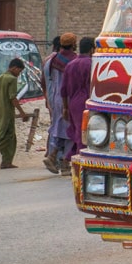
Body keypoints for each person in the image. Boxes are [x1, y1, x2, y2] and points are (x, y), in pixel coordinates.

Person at [43, 33, 78, 174]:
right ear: (73, 44)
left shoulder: (52, 60)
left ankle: (55, 157)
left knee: (59, 128)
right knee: (70, 131)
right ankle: (63, 162)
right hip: (67, 99)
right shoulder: (72, 61)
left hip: (56, 98)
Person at [60, 37, 96, 162]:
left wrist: (65, 107)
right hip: (86, 102)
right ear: (92, 49)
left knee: (78, 133)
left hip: (72, 103)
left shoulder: (70, 65)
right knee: (84, 135)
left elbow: (63, 90)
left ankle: (66, 159)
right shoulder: (92, 64)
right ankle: (80, 164)